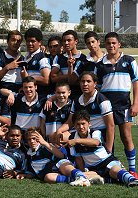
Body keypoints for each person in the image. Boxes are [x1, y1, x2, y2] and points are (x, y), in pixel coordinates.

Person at [96, 32, 138, 178]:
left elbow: (135, 83)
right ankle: (111, 168)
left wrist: (136, 103)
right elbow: (98, 88)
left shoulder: (129, 60)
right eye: (108, 43)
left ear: (119, 44)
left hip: (124, 106)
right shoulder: (100, 64)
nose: (111, 45)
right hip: (106, 107)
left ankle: (132, 169)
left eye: (114, 43)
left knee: (126, 137)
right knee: (108, 138)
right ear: (105, 45)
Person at [63, 110, 138, 187]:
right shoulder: (72, 137)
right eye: (78, 124)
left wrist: (77, 141)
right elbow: (78, 158)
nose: (81, 127)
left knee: (114, 171)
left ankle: (132, 180)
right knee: (80, 175)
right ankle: (107, 180)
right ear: (74, 126)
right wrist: (82, 173)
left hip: (107, 162)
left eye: (83, 123)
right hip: (93, 168)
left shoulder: (95, 132)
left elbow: (95, 142)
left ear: (89, 124)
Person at [15, 127, 103, 186]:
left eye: (35, 138)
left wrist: (45, 143)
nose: (32, 141)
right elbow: (34, 172)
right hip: (53, 173)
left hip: (62, 165)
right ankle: (92, 177)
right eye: (29, 139)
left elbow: (61, 155)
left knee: (62, 164)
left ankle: (81, 177)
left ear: (40, 138)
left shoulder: (46, 147)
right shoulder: (29, 155)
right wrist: (25, 175)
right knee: (48, 177)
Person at [54, 72, 115, 153]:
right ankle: (66, 159)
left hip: (97, 135)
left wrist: (109, 149)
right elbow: (70, 122)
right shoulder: (77, 101)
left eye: (88, 81)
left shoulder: (102, 100)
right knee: (54, 136)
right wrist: (59, 130)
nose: (85, 84)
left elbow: (110, 125)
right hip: (82, 132)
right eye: (82, 81)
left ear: (95, 84)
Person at [50, 30, 86, 99]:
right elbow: (53, 78)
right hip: (61, 97)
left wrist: (62, 76)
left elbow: (77, 81)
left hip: (78, 95)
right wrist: (70, 76)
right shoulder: (59, 57)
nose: (66, 43)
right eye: (64, 41)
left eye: (69, 40)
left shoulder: (84, 59)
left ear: (76, 41)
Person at [21, 28, 51, 99]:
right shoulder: (25, 57)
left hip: (40, 97)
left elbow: (46, 80)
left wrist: (28, 77)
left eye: (33, 41)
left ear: (40, 42)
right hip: (28, 96)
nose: (30, 44)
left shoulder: (42, 58)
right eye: (28, 41)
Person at [0, 30, 24, 95]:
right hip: (5, 93)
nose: (15, 43)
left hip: (21, 93)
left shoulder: (23, 58)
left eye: (18, 41)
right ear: (7, 41)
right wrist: (7, 67)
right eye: (13, 40)